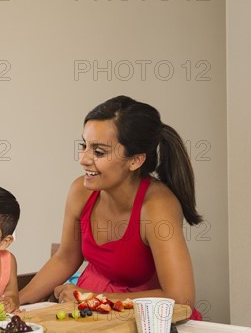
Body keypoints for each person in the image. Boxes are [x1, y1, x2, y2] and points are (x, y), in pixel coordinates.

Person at [19, 95, 203, 320]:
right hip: (92, 310)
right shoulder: (81, 191)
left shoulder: (157, 207)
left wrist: (94, 297)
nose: (84, 159)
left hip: (148, 322)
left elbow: (181, 298)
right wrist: (17, 299)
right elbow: (66, 258)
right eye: (83, 146)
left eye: (99, 152)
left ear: (135, 160)